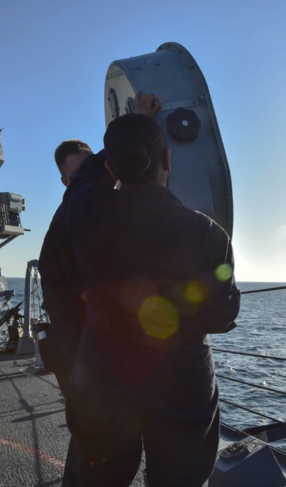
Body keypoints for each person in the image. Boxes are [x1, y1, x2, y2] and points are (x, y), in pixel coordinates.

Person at [61, 113, 240, 487]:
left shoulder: (87, 211)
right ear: (168, 160)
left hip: (102, 377)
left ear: (111, 167)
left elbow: (82, 180)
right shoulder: (209, 235)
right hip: (182, 384)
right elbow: (221, 317)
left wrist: (123, 134)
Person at [38, 95, 162, 407]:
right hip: (79, 353)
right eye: (82, 173)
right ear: (67, 180)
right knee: (98, 439)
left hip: (89, 346)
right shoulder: (70, 220)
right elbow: (86, 293)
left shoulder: (96, 213)